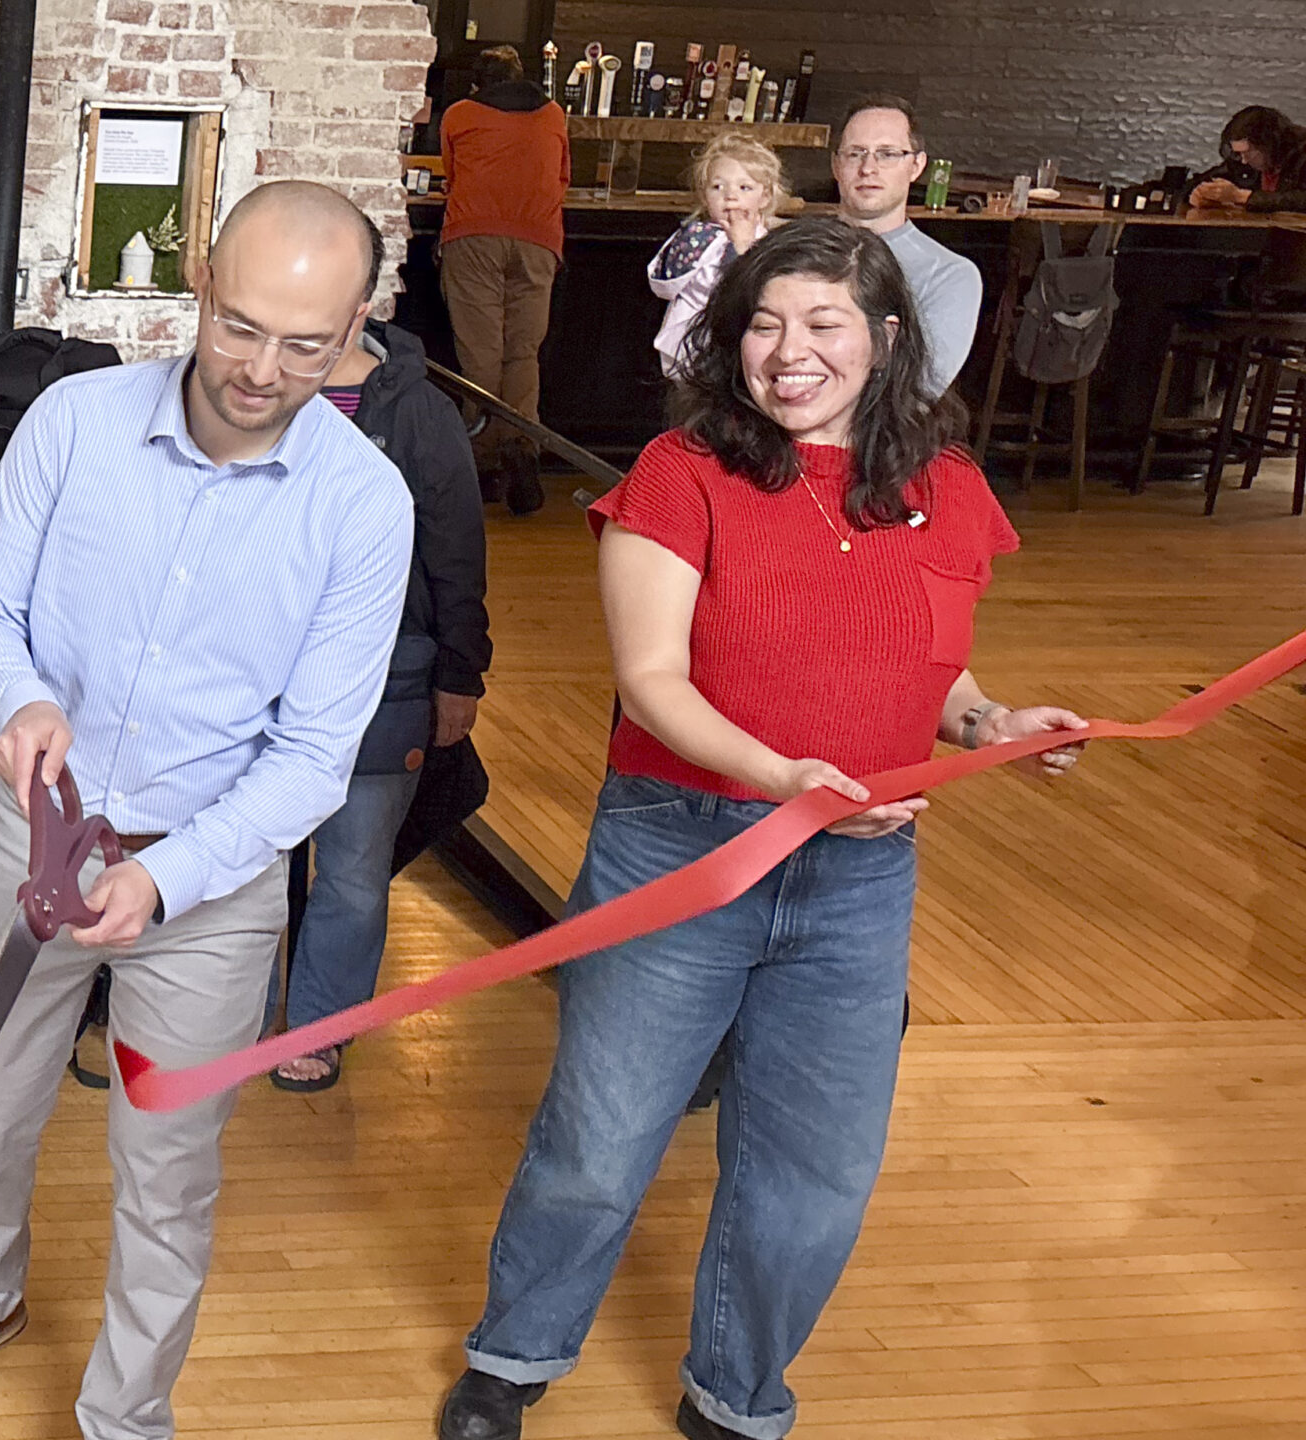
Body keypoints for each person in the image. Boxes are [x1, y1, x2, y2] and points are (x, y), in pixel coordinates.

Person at [433, 218, 1088, 1440]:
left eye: (822, 323)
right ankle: (512, 1354)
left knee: (815, 1169)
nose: (790, 353)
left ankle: (735, 1397)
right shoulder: (681, 473)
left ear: (883, 337)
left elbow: (928, 668)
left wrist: (990, 719)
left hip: (858, 877)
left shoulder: (947, 488)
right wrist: (785, 776)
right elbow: (651, 683)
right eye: (764, 325)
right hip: (682, 845)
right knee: (598, 1140)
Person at [0, 180, 412, 1440]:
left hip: (207, 886)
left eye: (305, 345)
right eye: (239, 326)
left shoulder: (366, 503)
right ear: (198, 285)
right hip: (31, 839)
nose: (261, 370)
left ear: (355, 330)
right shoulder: (73, 421)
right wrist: (19, 701)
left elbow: (313, 757)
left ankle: (126, 1413)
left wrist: (166, 878)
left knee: (167, 1170)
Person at [264, 300, 490, 1092]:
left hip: (387, 676)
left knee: (354, 869)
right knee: (247, 857)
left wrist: (460, 674)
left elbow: (457, 552)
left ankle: (321, 1024)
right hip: (257, 671)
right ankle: (235, 1015)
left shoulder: (420, 412)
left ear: (365, 303)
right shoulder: (250, 391)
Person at [439, 44, 567, 516]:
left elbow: (452, 176)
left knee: (481, 353)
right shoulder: (553, 115)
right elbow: (563, 177)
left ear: (478, 84)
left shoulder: (460, 114)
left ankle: (482, 464)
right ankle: (522, 449)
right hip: (538, 239)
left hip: (474, 236)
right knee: (522, 352)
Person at [829, 95, 980, 399]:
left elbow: (919, 391)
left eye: (887, 154)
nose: (868, 168)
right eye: (855, 153)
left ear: (916, 166)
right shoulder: (795, 251)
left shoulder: (949, 274)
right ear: (835, 164)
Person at [649, 132, 787, 378]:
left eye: (744, 187)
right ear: (705, 196)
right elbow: (675, 284)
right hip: (695, 344)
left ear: (765, 196)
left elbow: (758, 292)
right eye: (718, 187)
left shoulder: (771, 242)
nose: (730, 196)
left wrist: (743, 245)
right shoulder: (696, 238)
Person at [1191, 106, 1306, 214]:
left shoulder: (1301, 154)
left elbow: (1301, 200)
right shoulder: (1244, 163)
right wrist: (1203, 193)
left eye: (1249, 153)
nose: (1244, 161)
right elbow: (1206, 179)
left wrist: (1242, 196)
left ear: (1267, 145)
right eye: (1239, 154)